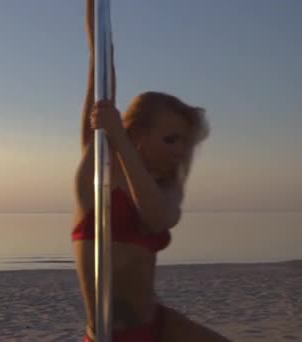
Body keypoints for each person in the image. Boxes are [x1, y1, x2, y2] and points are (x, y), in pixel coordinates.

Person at [71, 50, 231, 341]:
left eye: (185, 142)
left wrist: (119, 136)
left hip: (158, 326)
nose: (180, 151)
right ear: (137, 134)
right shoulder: (99, 172)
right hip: (110, 334)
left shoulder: (166, 190)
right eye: (170, 139)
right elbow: (100, 70)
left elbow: (157, 218)